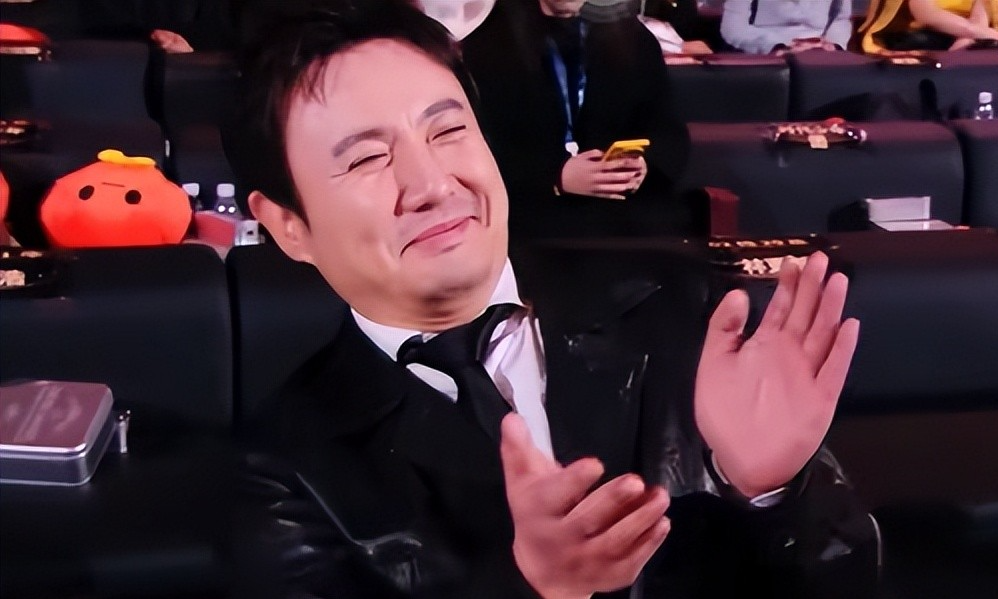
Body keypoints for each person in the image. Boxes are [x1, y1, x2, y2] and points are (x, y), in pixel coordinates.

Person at [224, 1, 880, 597]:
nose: (432, 184)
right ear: (288, 225)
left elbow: (844, 578)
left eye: (447, 132)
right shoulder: (282, 470)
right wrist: (535, 587)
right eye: (367, 159)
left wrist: (772, 494)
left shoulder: (681, 311)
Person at [457, 0, 695, 243]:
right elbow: (480, 148)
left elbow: (668, 133)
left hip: (626, 218)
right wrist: (556, 177)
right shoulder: (489, 43)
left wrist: (642, 166)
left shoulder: (634, 39)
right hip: (532, 221)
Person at [855, 0, 998, 52]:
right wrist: (978, 33)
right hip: (919, 35)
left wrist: (968, 41)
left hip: (961, 35)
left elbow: (979, 20)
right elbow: (926, 15)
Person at [720, 0, 854, 55]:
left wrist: (833, 46)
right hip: (765, 55)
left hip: (819, 56)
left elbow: (840, 19)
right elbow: (732, 27)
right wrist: (779, 46)